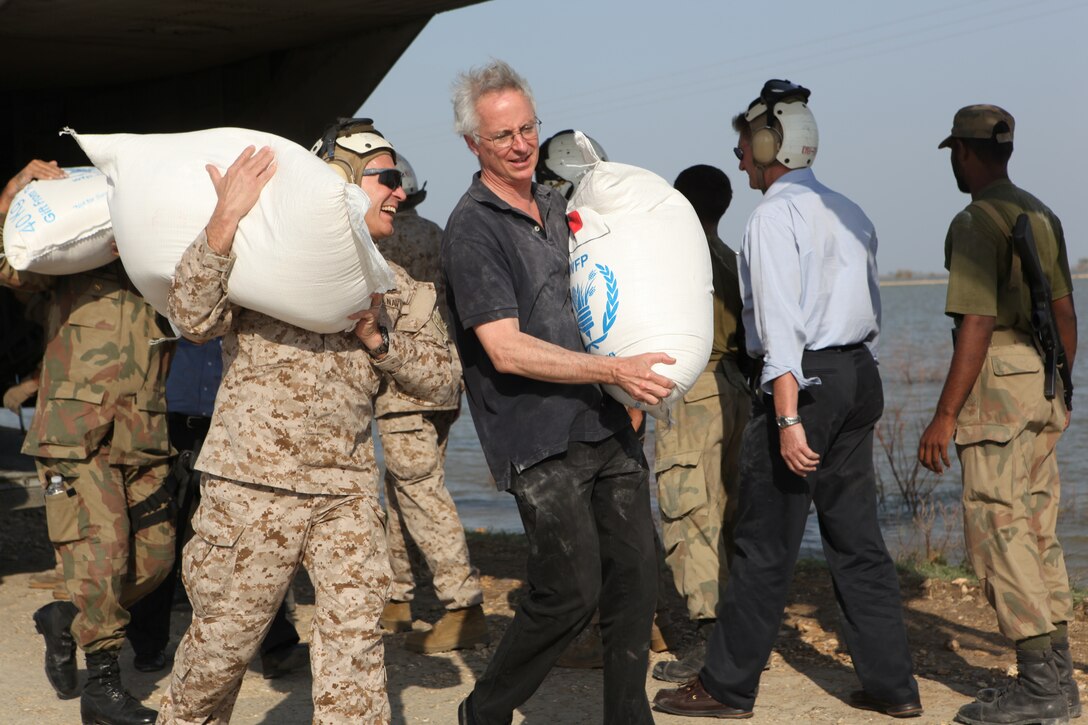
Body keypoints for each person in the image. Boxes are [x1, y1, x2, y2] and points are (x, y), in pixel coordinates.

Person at [156, 120, 460, 724]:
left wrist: (379, 339)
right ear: (343, 182)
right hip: (251, 488)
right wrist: (225, 221)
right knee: (219, 652)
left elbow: (444, 378)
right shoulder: (261, 253)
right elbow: (190, 317)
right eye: (388, 179)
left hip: (344, 494)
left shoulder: (392, 281)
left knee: (356, 656)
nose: (401, 193)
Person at [654, 80, 922, 719]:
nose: (739, 154)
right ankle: (894, 687)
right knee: (857, 540)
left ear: (772, 143)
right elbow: (869, 313)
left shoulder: (772, 217)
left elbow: (779, 331)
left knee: (764, 542)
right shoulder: (849, 209)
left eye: (744, 141)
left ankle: (724, 688)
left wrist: (789, 417)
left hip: (806, 383)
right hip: (858, 375)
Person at [440, 59, 675, 725]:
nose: (519, 145)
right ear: (472, 145)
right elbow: (503, 347)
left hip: (609, 420)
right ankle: (484, 710)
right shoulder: (472, 227)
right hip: (537, 436)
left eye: (528, 129)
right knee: (569, 589)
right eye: (502, 136)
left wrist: (627, 374)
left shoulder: (559, 201)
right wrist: (611, 370)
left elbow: (612, 286)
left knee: (635, 579)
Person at [918, 105, 1078, 725]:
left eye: (955, 153)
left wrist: (944, 415)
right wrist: (1061, 386)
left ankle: (1039, 686)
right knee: (1037, 528)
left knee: (996, 527)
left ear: (964, 151)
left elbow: (977, 323)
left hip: (999, 383)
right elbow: (1065, 312)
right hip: (1041, 380)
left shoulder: (974, 220)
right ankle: (1058, 681)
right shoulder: (1042, 214)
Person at [1, 159, 176, 725]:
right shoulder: (66, 261)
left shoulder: (158, 270)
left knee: (154, 558)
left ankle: (64, 616)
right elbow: (12, 263)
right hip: (76, 431)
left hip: (144, 430)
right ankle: (103, 689)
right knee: (101, 552)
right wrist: (12, 196)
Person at [125, 337, 305, 679]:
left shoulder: (245, 299)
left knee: (248, 536)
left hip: (233, 427)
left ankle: (276, 647)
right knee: (159, 536)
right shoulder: (166, 297)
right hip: (167, 426)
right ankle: (147, 646)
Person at [371, 153, 489, 654]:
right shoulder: (438, 233)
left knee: (418, 489)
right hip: (443, 381)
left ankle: (462, 606)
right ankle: (397, 596)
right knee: (405, 485)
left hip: (400, 383)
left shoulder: (379, 237)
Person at [651, 164, 751, 683]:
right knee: (728, 510)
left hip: (692, 392)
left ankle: (708, 641)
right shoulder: (733, 260)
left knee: (691, 514)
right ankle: (732, 633)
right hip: (737, 389)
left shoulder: (679, 260)